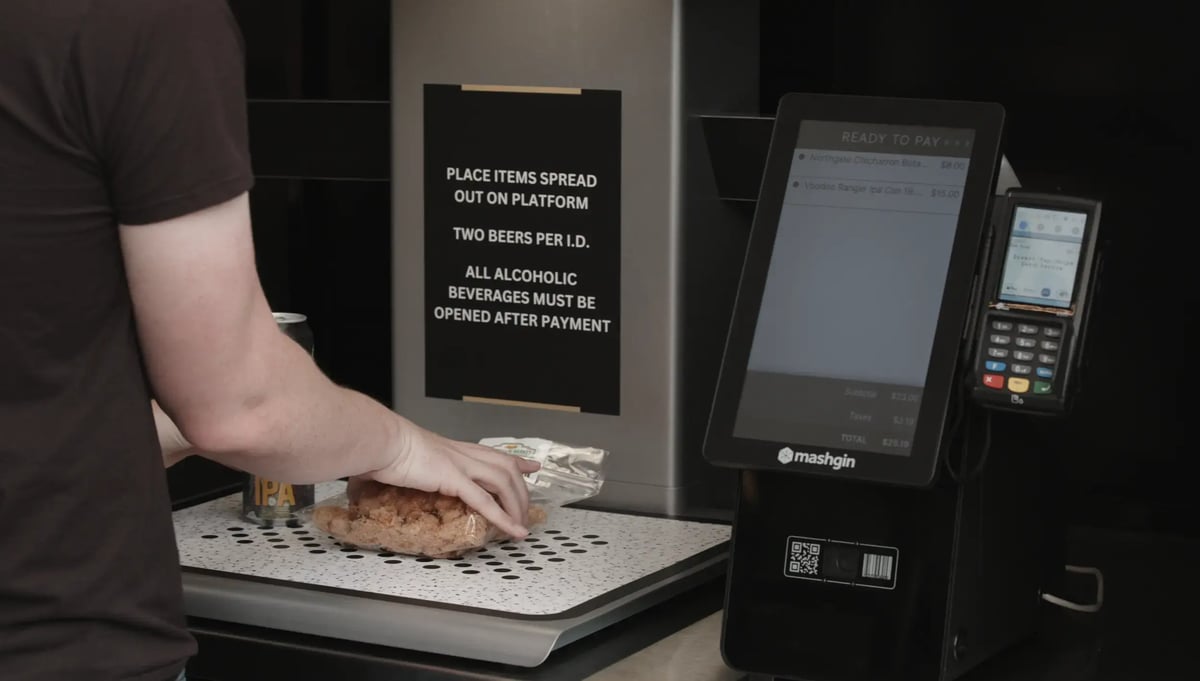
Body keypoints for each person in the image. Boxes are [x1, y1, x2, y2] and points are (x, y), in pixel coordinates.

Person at [0, 1, 536, 679]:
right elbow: (242, 406)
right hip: (54, 644)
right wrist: (399, 442)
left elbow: (33, 377)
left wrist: (167, 430)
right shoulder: (145, 18)